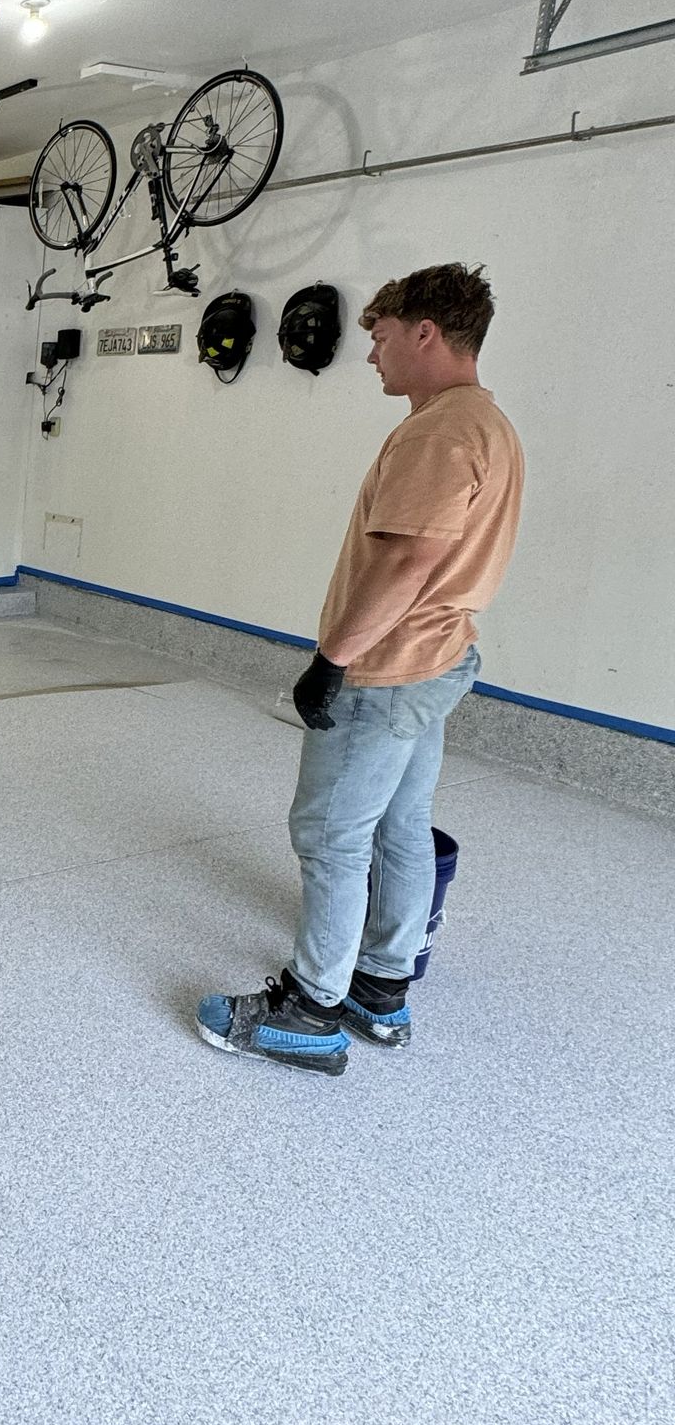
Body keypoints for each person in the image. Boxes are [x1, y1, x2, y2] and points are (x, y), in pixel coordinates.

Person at [199, 263, 524, 1075]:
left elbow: (410, 560)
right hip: (437, 661)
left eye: (379, 337)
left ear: (425, 332)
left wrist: (332, 661)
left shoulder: (441, 432)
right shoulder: (487, 423)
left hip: (385, 671)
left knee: (331, 834)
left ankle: (309, 1011)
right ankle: (380, 990)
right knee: (399, 825)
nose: (371, 354)